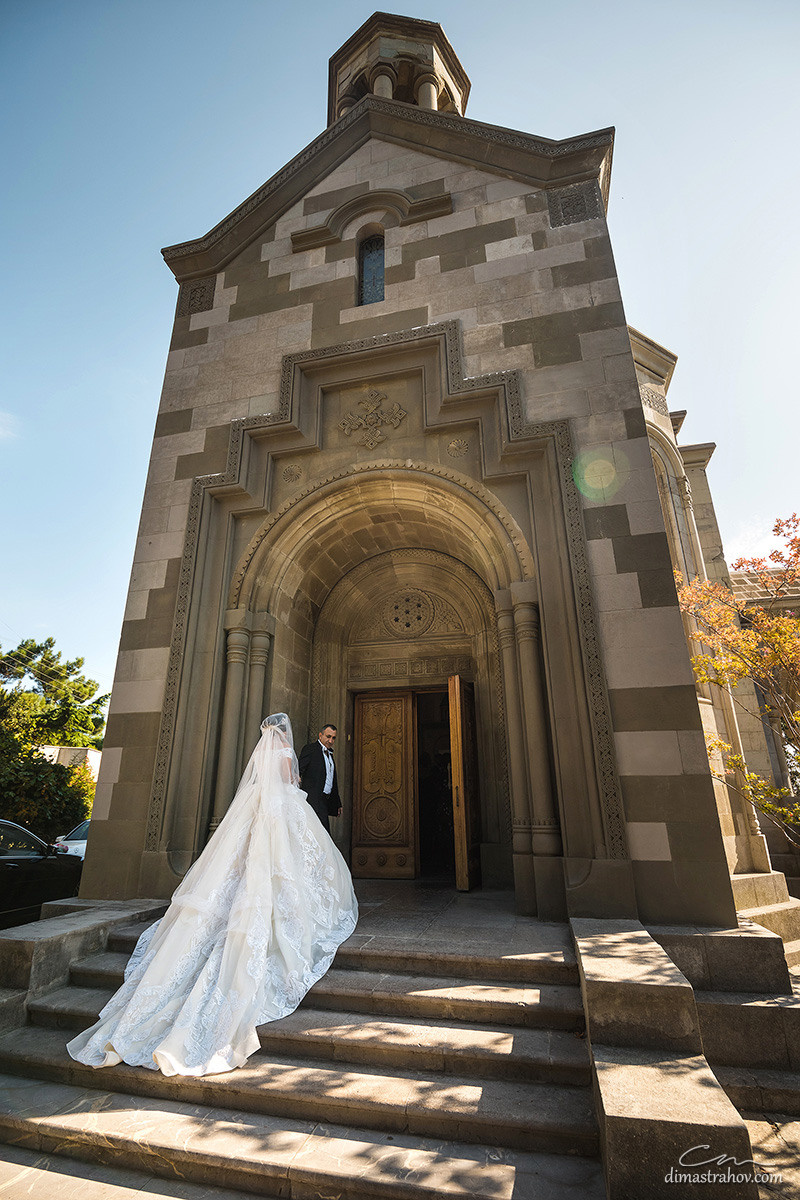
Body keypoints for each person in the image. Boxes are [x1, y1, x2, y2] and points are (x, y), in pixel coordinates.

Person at [66, 713, 357, 1077]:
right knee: (284, 862)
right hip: (281, 808)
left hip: (258, 808)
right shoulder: (286, 753)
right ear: (284, 732)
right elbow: (289, 780)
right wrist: (295, 781)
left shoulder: (261, 756)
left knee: (243, 863)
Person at [298, 723, 342, 834]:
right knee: (322, 834)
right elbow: (299, 769)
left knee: (321, 834)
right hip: (313, 800)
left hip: (325, 801)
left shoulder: (330, 754)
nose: (330, 741)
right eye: (328, 736)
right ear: (320, 735)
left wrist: (337, 802)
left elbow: (332, 779)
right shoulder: (310, 749)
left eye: (333, 738)